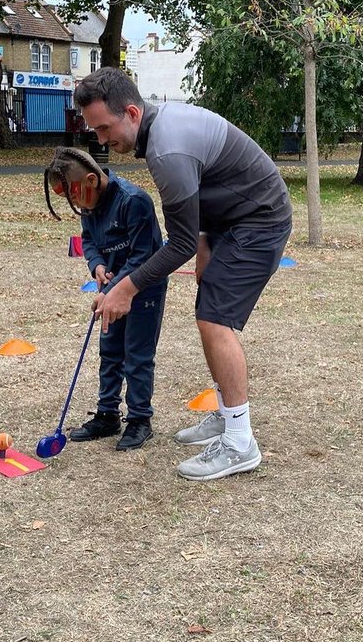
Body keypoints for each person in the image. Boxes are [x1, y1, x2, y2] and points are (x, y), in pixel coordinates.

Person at [74, 68, 293, 483]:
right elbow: (211, 184)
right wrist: (207, 240)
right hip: (231, 222)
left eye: (104, 128)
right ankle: (226, 415)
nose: (101, 140)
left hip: (259, 221)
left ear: (132, 113)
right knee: (208, 313)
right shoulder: (160, 129)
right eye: (94, 130)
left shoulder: (165, 150)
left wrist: (126, 288)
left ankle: (239, 443)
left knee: (215, 320)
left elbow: (179, 245)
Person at [44, 146, 167, 451]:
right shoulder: (89, 204)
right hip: (111, 289)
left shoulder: (134, 202)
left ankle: (140, 420)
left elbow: (143, 255)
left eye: (74, 196)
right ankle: (107, 414)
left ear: (90, 180)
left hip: (144, 290)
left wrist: (115, 289)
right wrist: (97, 264)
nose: (76, 206)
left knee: (137, 355)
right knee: (110, 352)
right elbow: (88, 239)